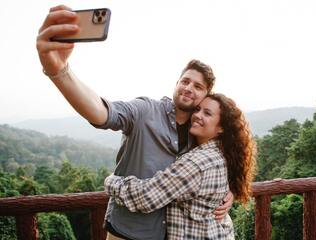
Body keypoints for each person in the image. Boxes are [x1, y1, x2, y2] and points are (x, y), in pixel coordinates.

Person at [36, 5, 234, 240]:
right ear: (177, 83)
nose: (189, 88)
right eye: (185, 81)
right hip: (126, 232)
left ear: (206, 95)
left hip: (166, 234)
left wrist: (229, 191)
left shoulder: (200, 134)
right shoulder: (145, 111)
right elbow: (101, 111)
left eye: (198, 86)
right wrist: (59, 71)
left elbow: (221, 164)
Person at [104, 93, 256, 239]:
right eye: (197, 109)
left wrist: (111, 181)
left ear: (221, 127)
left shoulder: (198, 162)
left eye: (207, 113)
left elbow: (147, 197)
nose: (197, 115)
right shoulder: (221, 153)